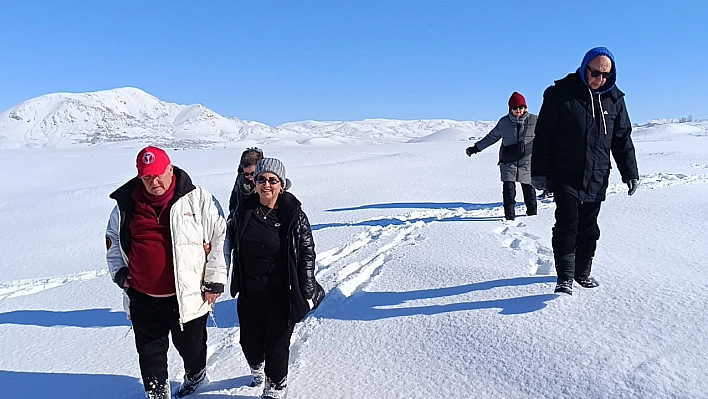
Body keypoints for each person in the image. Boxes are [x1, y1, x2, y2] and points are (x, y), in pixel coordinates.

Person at [105, 146, 227, 399]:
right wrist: (119, 272)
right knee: (150, 355)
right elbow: (113, 240)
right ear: (140, 177)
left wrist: (214, 279)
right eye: (147, 177)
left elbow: (220, 237)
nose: (154, 182)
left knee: (192, 349)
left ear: (170, 169)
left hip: (187, 295)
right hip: (142, 296)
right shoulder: (126, 204)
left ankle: (196, 376)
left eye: (159, 174)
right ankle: (157, 393)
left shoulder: (197, 199)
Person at [530, 47, 639, 295]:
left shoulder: (614, 100)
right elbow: (544, 135)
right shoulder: (560, 94)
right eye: (595, 72)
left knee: (589, 226)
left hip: (597, 174)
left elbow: (622, 139)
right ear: (584, 67)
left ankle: (582, 272)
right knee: (568, 223)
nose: (599, 79)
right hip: (565, 172)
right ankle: (565, 277)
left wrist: (630, 172)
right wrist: (539, 172)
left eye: (605, 75)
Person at [227, 157, 325, 399]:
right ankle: (257, 367)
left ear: (282, 184)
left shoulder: (294, 215)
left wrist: (307, 287)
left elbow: (306, 253)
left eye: (273, 180)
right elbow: (225, 241)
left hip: (282, 292)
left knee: (277, 346)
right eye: (261, 179)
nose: (266, 184)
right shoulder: (244, 211)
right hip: (250, 292)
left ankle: (276, 386)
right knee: (249, 345)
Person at [466, 92, 538, 220]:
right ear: (510, 108)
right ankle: (509, 217)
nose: (518, 110)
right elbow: (492, 137)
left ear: (525, 107)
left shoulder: (534, 120)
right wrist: (476, 148)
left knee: (529, 189)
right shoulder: (504, 122)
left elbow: (546, 136)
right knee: (508, 190)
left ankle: (532, 217)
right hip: (508, 160)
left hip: (527, 160)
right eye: (515, 108)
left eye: (521, 107)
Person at [229, 147, 264, 214]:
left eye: (253, 174)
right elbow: (234, 198)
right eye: (246, 174)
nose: (250, 177)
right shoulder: (241, 177)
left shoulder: (268, 183)